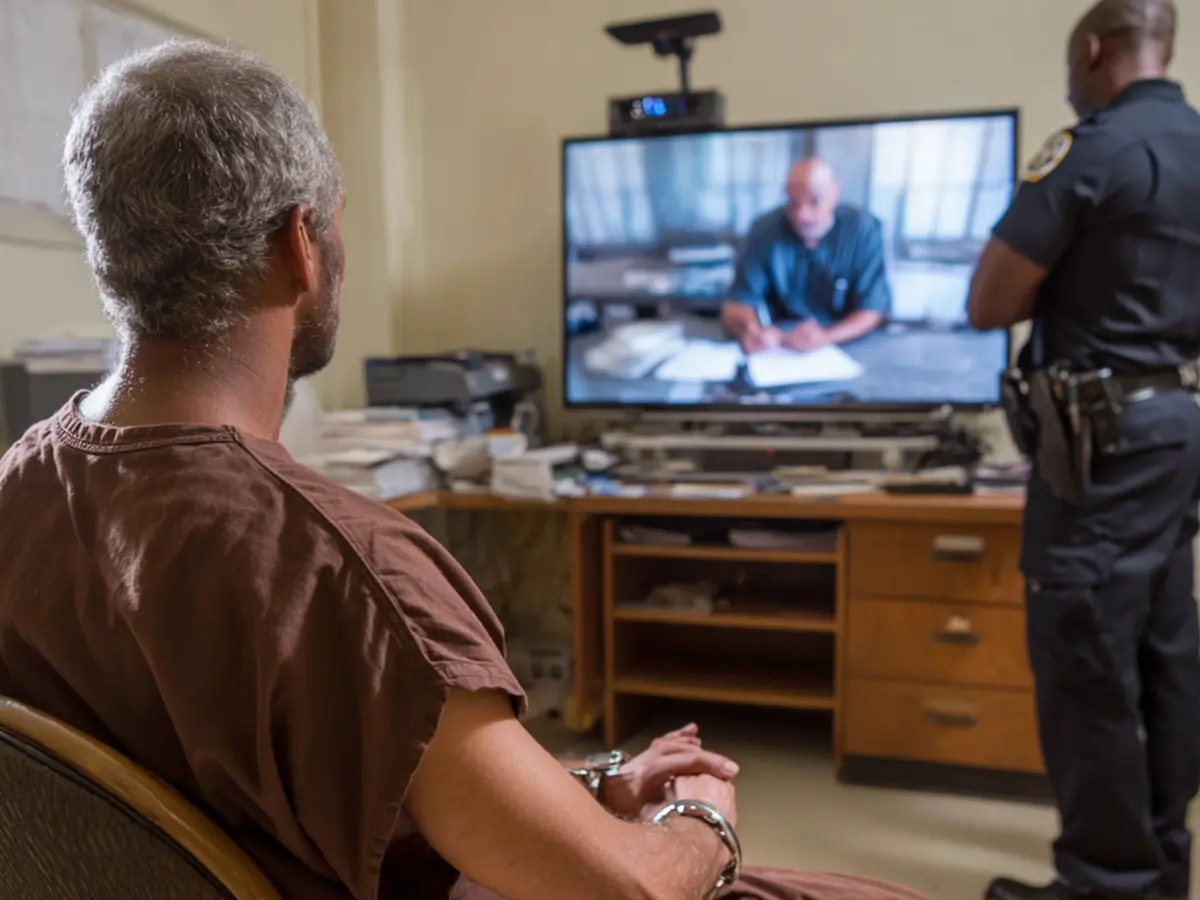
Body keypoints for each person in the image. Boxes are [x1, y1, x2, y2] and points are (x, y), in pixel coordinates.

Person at [0, 41, 926, 900]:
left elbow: (306, 770)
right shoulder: (348, 577)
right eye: (336, 227)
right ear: (300, 247)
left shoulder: (19, 491)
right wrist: (702, 824)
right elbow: (632, 890)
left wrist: (586, 781)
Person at [966, 2, 1200, 898]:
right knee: (1162, 647)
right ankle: (1161, 864)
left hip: (1099, 442)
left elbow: (989, 303)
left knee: (1085, 654)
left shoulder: (1092, 149)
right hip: (1175, 422)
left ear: (1093, 47)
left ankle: (1105, 882)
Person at [721, 158, 891, 355]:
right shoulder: (764, 231)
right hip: (778, 350)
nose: (802, 216)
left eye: (815, 201)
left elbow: (872, 309)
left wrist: (826, 337)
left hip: (847, 346)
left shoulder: (864, 230)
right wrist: (751, 330)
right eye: (793, 203)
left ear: (835, 192)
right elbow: (738, 301)